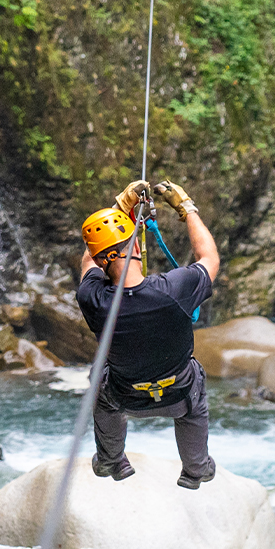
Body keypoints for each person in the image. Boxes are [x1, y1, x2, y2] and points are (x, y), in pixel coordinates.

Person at [75, 179, 220, 489]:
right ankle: (196, 468)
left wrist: (120, 208)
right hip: (178, 392)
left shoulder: (93, 300)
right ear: (138, 246)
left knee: (99, 379)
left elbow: (89, 259)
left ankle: (112, 460)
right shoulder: (175, 289)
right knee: (193, 380)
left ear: (102, 262)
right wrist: (186, 208)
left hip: (126, 395)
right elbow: (209, 258)